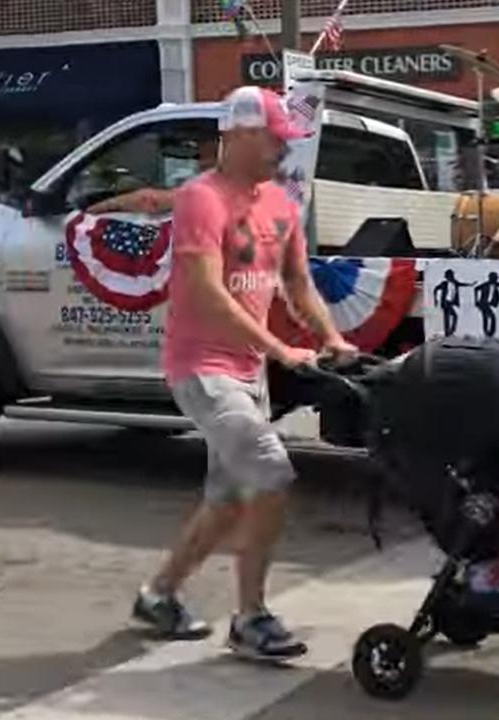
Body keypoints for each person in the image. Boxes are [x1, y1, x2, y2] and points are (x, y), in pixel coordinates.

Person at [131, 86, 357, 660]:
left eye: (287, 139)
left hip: (246, 369)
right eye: (276, 138)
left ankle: (159, 595)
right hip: (201, 368)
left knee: (230, 499)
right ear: (238, 135)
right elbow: (206, 293)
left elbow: (299, 282)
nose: (285, 148)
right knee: (272, 476)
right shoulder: (199, 198)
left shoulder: (281, 202)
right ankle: (251, 617)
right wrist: (282, 349)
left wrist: (330, 337)